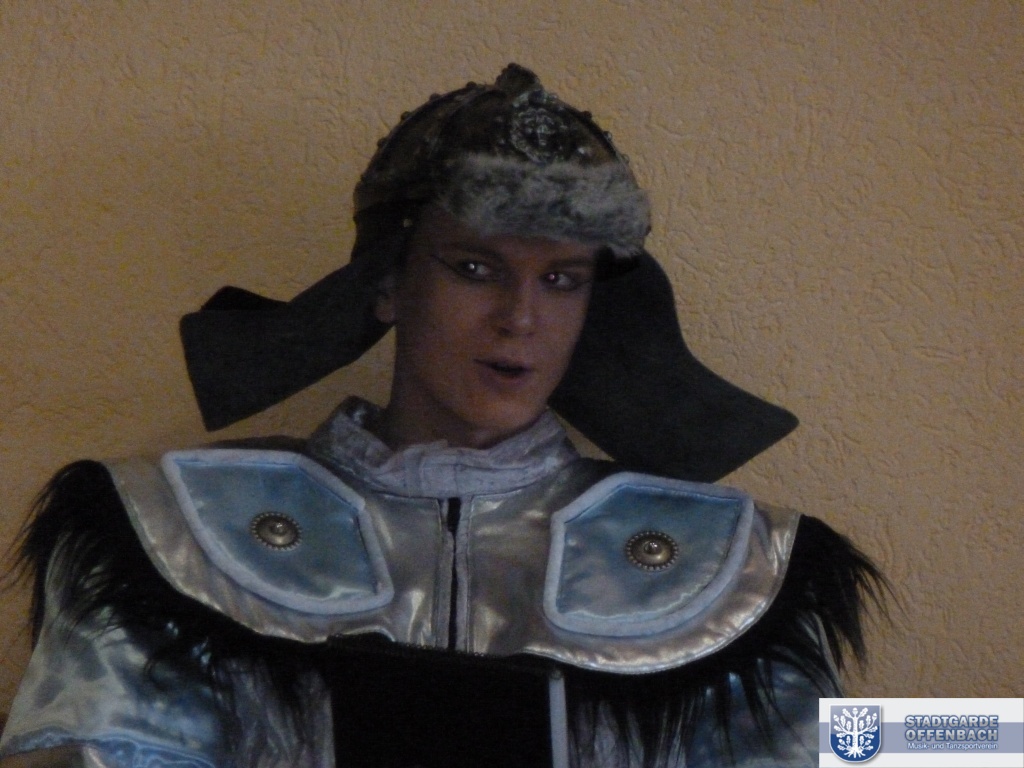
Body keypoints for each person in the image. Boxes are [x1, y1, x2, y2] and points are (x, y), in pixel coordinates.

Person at [0, 64, 883, 768]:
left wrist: (957, 736)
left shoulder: (732, 569)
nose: (520, 319)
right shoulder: (171, 532)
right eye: (474, 269)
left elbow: (860, 750)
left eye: (561, 279)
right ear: (388, 282)